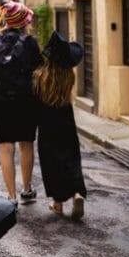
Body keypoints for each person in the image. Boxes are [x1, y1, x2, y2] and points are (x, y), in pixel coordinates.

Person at [0, 2, 41, 203]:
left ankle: (11, 197)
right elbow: (40, 73)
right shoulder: (30, 42)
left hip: (1, 100)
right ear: (24, 22)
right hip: (26, 100)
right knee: (26, 144)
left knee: (5, 147)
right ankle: (26, 188)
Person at [33, 31, 87, 220]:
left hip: (47, 124)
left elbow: (34, 102)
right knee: (71, 159)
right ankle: (77, 193)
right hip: (66, 122)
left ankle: (57, 203)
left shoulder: (39, 76)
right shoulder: (68, 76)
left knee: (51, 163)